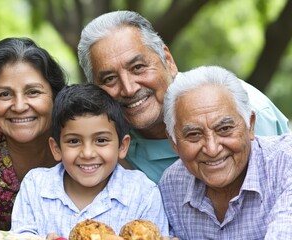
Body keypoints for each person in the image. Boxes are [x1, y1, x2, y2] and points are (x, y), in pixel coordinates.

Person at [77, 10, 290, 183]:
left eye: (138, 67)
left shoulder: (239, 109)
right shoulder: (105, 142)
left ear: (167, 60)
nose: (129, 88)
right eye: (109, 79)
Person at [10, 84, 169, 238]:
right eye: (74, 141)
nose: (87, 153)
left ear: (122, 146)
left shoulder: (143, 193)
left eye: (101, 140)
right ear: (56, 148)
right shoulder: (35, 186)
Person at [159, 65, 292, 239]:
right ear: (174, 142)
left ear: (250, 125)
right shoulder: (172, 185)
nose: (212, 149)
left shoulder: (286, 162)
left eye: (225, 129)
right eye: (193, 135)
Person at [0, 37, 67, 233]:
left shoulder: (78, 137)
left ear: (55, 96)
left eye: (33, 92)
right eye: (4, 94)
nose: (19, 106)